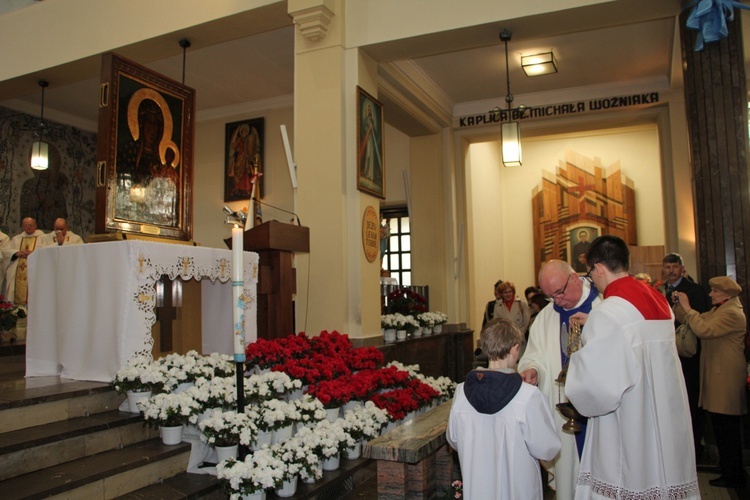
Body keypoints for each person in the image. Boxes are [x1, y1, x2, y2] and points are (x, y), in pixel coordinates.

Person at [565, 235, 698, 499]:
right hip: (664, 417)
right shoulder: (659, 301)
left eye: (590, 273)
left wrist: (577, 358)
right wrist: (595, 321)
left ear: (599, 268)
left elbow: (597, 389)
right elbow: (636, 334)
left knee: (627, 478)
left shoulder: (608, 312)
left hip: (629, 421)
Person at [447, 318, 561, 499]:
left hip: (477, 488)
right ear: (515, 348)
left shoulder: (461, 392)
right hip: (518, 490)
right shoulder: (528, 395)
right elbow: (547, 448)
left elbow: (454, 440)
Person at [517, 260, 600, 500]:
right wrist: (534, 370)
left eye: (560, 292)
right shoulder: (546, 316)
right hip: (566, 414)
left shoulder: (603, 305)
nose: (557, 301)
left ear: (575, 278)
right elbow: (534, 354)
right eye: (550, 296)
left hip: (600, 413)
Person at [674, 276, 748, 488]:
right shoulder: (720, 310)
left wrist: (688, 308)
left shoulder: (732, 313)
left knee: (727, 427)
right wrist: (680, 305)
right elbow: (692, 320)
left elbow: (703, 330)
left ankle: (734, 473)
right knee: (720, 424)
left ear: (725, 294)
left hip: (726, 376)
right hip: (718, 375)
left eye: (714, 291)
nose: (710, 294)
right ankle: (727, 466)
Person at [662, 252, 710, 461]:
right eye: (667, 267)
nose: (671, 270)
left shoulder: (694, 290)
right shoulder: (659, 290)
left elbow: (701, 317)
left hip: (689, 354)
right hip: (668, 353)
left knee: (691, 399)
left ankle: (695, 448)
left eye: (675, 266)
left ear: (682, 268)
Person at [2, 217, 49, 305]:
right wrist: (17, 253)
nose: (28, 227)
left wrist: (34, 253)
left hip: (36, 269)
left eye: (31, 225)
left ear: (35, 226)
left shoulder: (43, 238)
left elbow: (47, 252)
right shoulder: (17, 238)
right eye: (26, 225)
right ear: (22, 227)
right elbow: (6, 251)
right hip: (18, 269)